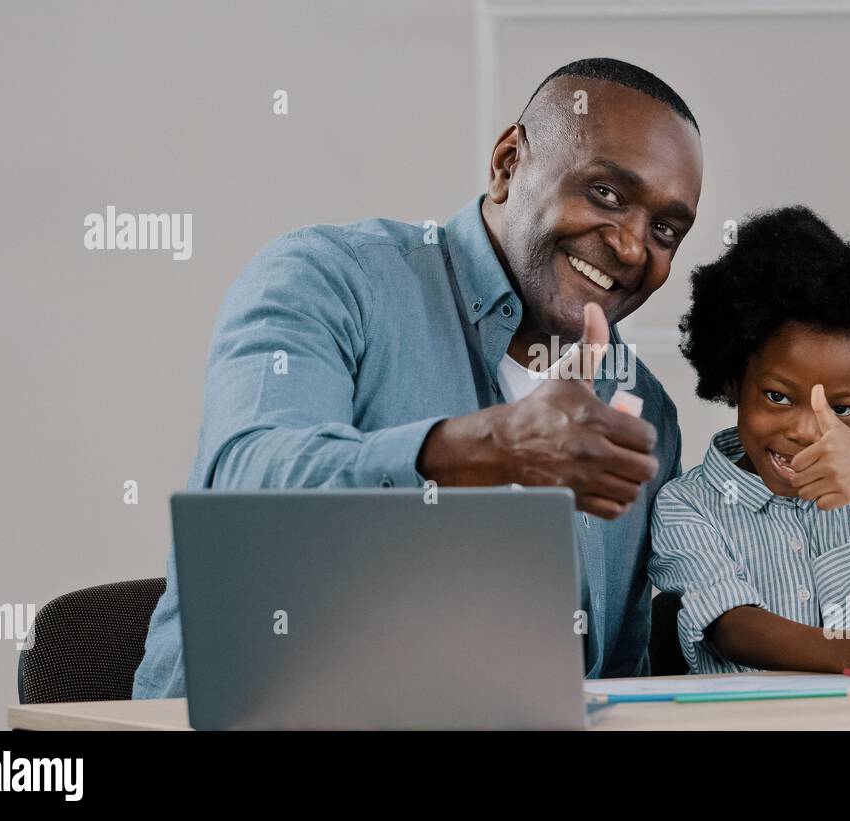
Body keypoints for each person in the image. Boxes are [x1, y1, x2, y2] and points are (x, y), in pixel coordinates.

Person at [133, 57, 703, 698]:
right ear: (508, 164)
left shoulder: (643, 408)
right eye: (606, 193)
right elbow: (247, 481)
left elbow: (614, 682)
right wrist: (495, 447)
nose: (631, 246)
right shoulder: (332, 279)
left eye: (664, 229)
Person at [649, 205, 850, 676]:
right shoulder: (687, 505)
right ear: (731, 380)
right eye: (777, 396)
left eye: (843, 409)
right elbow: (731, 625)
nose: (809, 430)